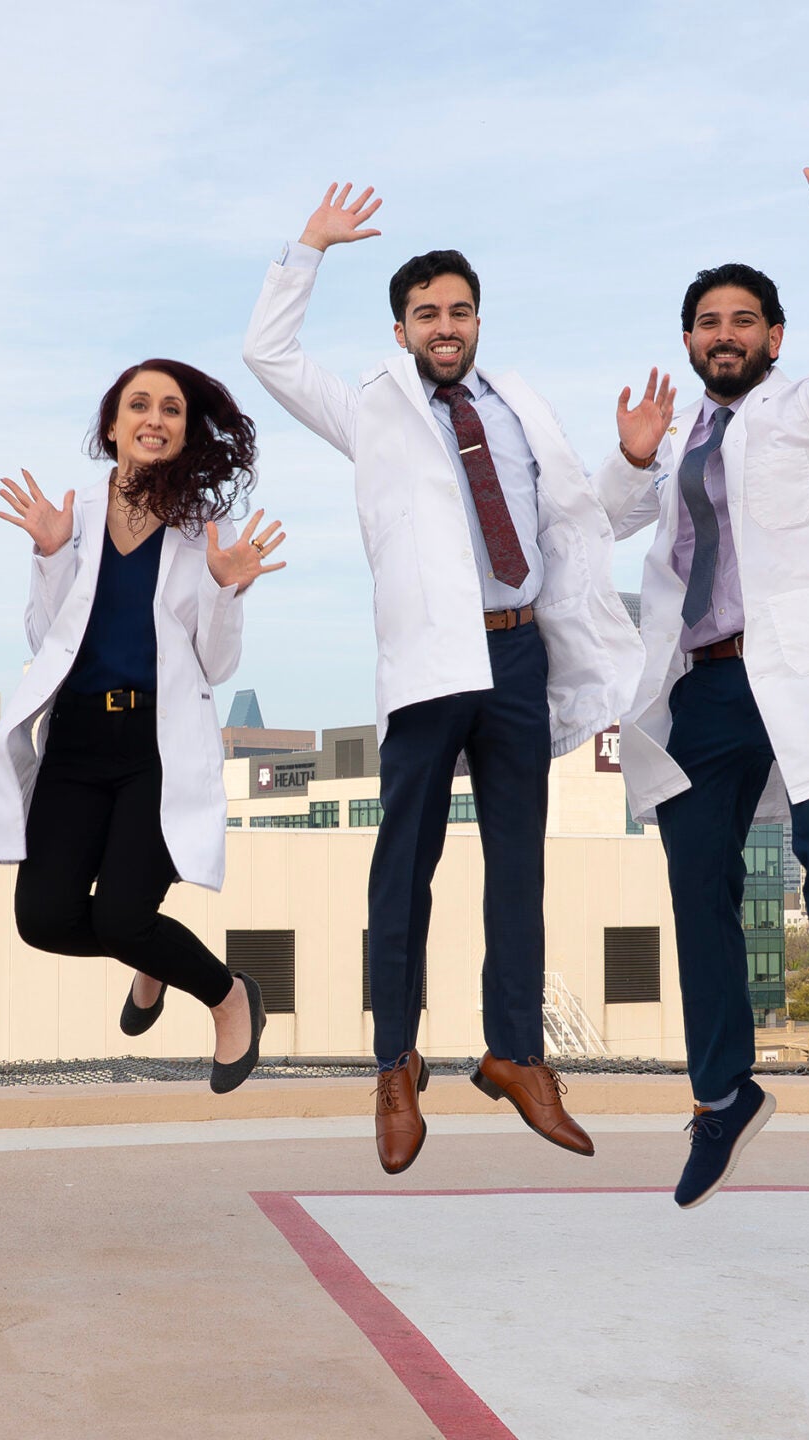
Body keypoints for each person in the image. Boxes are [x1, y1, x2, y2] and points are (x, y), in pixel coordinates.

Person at [244, 184, 641, 1175]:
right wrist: (308, 248)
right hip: (431, 660)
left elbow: (575, 519)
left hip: (518, 653)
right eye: (426, 314)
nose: (445, 327)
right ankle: (396, 1062)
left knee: (518, 867)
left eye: (459, 311)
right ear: (401, 329)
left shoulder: (518, 406)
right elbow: (269, 356)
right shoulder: (372, 409)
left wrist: (634, 464)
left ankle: (516, 1054)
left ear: (477, 321)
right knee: (404, 868)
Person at [595, 131, 809, 1207]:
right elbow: (601, 520)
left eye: (743, 320)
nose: (724, 334)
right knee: (698, 883)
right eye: (707, 322)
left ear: (774, 338)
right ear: (690, 341)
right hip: (704, 684)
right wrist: (633, 456)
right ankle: (722, 1094)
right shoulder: (678, 435)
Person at [0, 360, 286, 1093]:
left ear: (185, 432)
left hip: (155, 749)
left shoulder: (205, 530)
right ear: (112, 427)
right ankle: (151, 954)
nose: (155, 419)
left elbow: (215, 665)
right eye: (139, 405)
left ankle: (229, 997)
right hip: (76, 743)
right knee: (43, 920)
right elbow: (45, 640)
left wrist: (226, 590)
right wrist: (51, 556)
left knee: (120, 919)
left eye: (171, 409)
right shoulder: (71, 518)